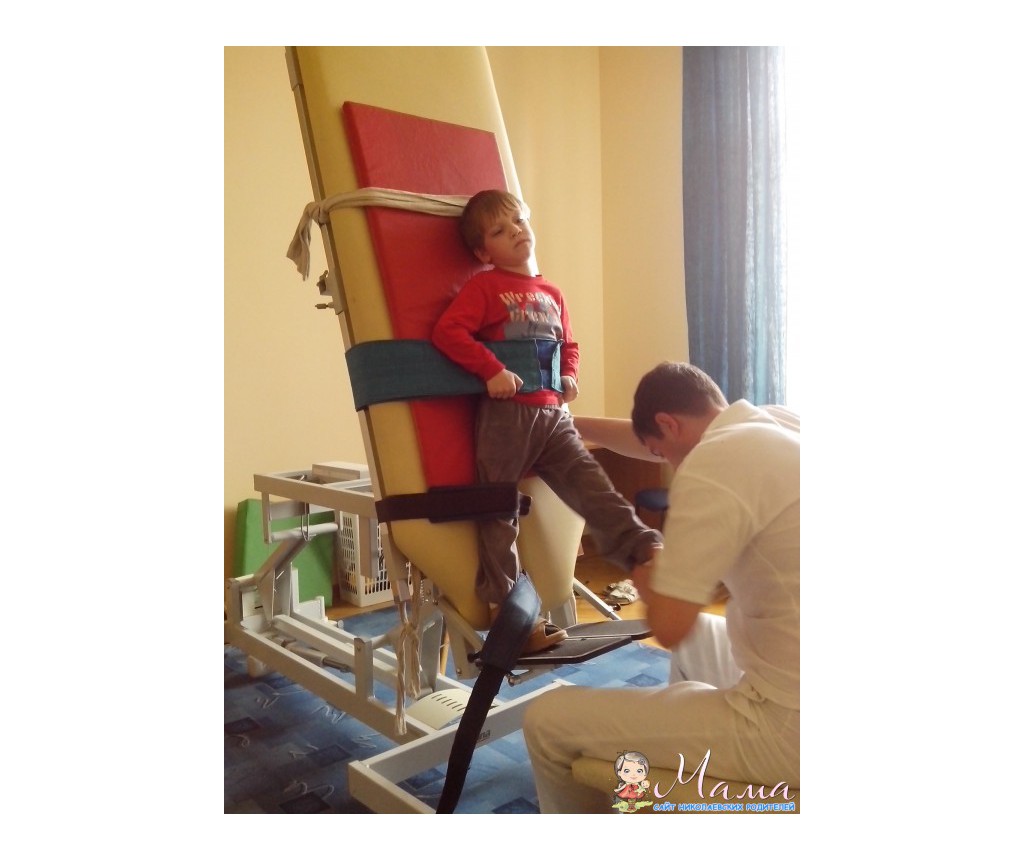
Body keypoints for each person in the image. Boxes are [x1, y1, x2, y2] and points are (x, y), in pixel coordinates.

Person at [522, 361, 799, 812]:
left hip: (789, 728)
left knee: (544, 721)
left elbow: (669, 626)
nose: (664, 462)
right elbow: (650, 440)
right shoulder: (776, 422)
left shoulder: (713, 461)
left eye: (661, 453)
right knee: (700, 637)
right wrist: (562, 422)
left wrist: (642, 558)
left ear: (669, 424)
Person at [432, 190, 662, 654]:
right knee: (498, 510)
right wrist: (492, 371)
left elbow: (568, 345)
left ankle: (646, 552)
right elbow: (448, 332)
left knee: (591, 485)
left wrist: (570, 376)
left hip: (554, 413)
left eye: (518, 221)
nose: (516, 231)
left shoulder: (552, 293)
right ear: (483, 252)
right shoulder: (485, 287)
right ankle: (509, 611)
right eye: (500, 230)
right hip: (508, 416)